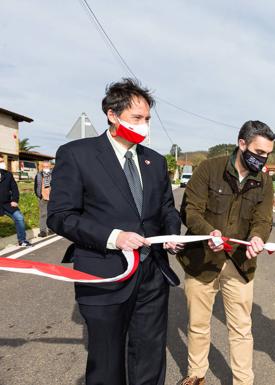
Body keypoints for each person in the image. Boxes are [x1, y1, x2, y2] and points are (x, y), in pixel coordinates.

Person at [47, 78, 182, 385]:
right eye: (137, 118)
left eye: (147, 119)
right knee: (107, 363)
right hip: (104, 274)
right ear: (112, 114)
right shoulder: (78, 155)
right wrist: (114, 237)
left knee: (149, 355)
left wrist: (172, 234)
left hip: (151, 274)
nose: (144, 125)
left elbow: (166, 209)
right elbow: (60, 217)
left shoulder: (155, 161)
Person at [177, 120, 275, 385]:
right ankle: (196, 375)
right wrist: (209, 232)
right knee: (198, 325)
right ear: (242, 144)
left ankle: (243, 381)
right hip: (202, 260)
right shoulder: (209, 169)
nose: (262, 159)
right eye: (258, 152)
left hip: (239, 264)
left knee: (241, 328)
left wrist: (257, 238)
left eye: (267, 154)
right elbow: (191, 210)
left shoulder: (265, 181)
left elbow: (263, 220)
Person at [0, 160, 31, 247]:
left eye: (2, 161)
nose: (2, 163)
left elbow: (14, 189)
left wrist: (14, 200)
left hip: (7, 204)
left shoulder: (8, 175)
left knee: (19, 217)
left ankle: (22, 240)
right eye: (0, 161)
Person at [34, 160, 53, 237]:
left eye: (47, 166)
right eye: (44, 166)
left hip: (53, 198)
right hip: (43, 197)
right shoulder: (39, 175)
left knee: (51, 214)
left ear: (50, 166)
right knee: (43, 214)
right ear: (42, 167)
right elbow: (36, 186)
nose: (45, 168)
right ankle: (43, 231)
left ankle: (51, 229)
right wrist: (38, 195)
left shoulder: (55, 175)